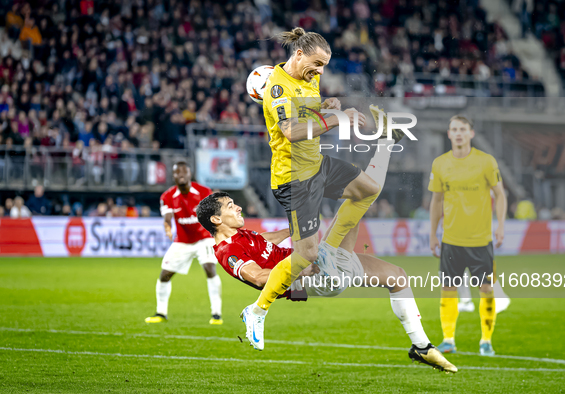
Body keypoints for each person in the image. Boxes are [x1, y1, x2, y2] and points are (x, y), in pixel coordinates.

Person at [243, 27, 406, 350]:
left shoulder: (309, 77)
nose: (320, 71)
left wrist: (326, 106)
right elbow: (291, 130)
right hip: (294, 179)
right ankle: (257, 310)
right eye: (317, 63)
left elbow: (308, 114)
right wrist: (336, 118)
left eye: (324, 66)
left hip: (317, 164)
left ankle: (332, 248)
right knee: (306, 254)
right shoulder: (277, 87)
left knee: (368, 189)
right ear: (299, 54)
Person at [197, 192, 457, 373]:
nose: (238, 207)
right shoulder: (226, 252)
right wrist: (302, 270)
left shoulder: (243, 235)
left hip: (315, 265)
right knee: (354, 202)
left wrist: (292, 229)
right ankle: (384, 145)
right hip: (312, 278)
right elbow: (258, 277)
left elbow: (265, 241)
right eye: (230, 206)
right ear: (216, 220)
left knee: (397, 276)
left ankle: (421, 346)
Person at [428, 116, 507, 357]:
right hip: (451, 240)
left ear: (471, 133)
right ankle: (448, 339)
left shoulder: (486, 162)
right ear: (449, 134)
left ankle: (486, 341)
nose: (459, 133)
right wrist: (433, 233)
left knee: (485, 289)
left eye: (463, 129)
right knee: (448, 289)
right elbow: (436, 200)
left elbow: (501, 195)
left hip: (480, 241)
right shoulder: (440, 164)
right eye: (454, 129)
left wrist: (501, 225)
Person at [145, 161, 223, 325]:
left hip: (204, 238)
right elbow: (167, 217)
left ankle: (216, 314)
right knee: (164, 275)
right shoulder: (167, 196)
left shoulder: (203, 191)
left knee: (210, 269)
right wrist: (167, 227)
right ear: (173, 176)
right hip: (182, 240)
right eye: (176, 172)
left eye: (184, 172)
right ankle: (161, 313)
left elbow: (214, 215)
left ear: (189, 174)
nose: (180, 175)